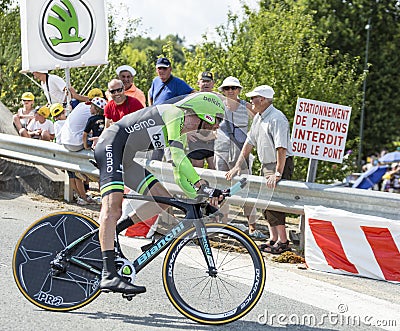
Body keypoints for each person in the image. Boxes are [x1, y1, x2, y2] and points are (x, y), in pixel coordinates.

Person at [94, 92, 225, 294]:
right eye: (217, 120)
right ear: (205, 113)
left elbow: (178, 172)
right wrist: (201, 185)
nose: (216, 126)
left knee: (162, 200)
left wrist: (197, 196)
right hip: (111, 146)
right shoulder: (175, 114)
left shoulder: (180, 130)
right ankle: (108, 275)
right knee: (113, 208)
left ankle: (115, 231)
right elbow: (177, 156)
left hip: (126, 159)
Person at [226, 85, 294, 254]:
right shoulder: (259, 118)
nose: (251, 101)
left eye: (253, 98)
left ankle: (283, 241)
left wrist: (278, 172)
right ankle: (273, 238)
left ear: (262, 99)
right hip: (267, 164)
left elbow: (281, 148)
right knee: (265, 202)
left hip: (280, 163)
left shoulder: (277, 118)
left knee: (275, 202)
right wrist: (238, 165)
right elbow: (249, 143)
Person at [214, 76, 264, 239]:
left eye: (233, 88)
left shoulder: (246, 106)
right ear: (223, 90)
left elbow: (261, 119)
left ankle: (252, 227)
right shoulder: (217, 105)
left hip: (241, 153)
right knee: (220, 189)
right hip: (221, 151)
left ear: (239, 90)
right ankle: (222, 226)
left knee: (246, 187)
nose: (230, 91)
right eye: (227, 88)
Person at [148, 57, 195, 161]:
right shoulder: (155, 81)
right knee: (155, 156)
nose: (162, 71)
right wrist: (150, 108)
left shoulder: (178, 83)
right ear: (156, 70)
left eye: (164, 69)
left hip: (171, 124)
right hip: (157, 123)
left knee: (171, 158)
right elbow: (150, 93)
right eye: (159, 68)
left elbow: (193, 94)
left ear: (170, 69)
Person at [50, 103, 93, 205]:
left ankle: (80, 196)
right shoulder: (68, 121)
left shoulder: (56, 124)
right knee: (77, 176)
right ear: (64, 112)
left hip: (64, 150)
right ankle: (83, 196)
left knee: (72, 176)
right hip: (70, 148)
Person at [187, 71, 218, 169]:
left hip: (212, 139)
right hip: (196, 139)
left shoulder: (218, 99)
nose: (206, 84)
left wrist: (218, 133)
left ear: (213, 83)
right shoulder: (191, 98)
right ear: (198, 83)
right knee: (197, 169)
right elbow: (181, 116)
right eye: (203, 81)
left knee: (214, 169)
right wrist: (186, 133)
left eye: (208, 81)